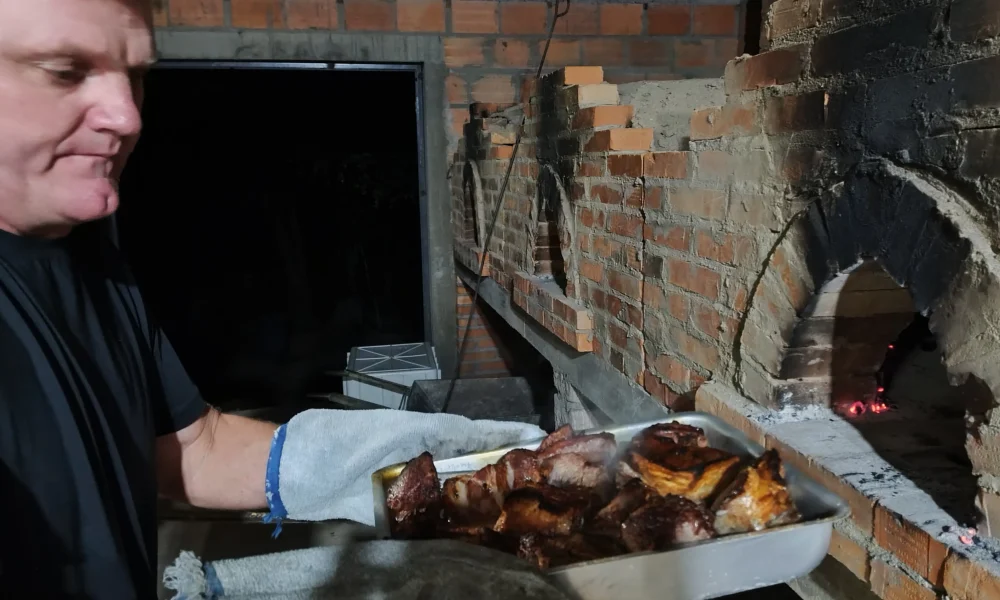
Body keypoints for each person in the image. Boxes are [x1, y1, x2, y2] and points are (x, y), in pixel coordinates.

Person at [0, 0, 545, 598]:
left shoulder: (92, 264)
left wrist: (368, 455)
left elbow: (191, 448)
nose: (127, 116)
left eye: (134, 74)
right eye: (64, 71)